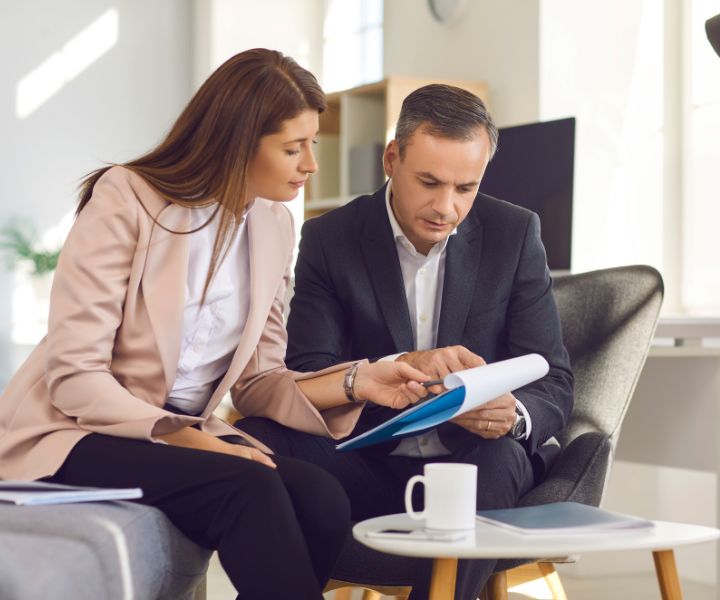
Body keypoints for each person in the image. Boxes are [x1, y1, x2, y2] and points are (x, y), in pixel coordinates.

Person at [0, 49, 430, 600]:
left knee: (323, 499)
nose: (310, 165)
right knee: (248, 488)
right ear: (237, 141)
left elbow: (258, 381)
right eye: (293, 148)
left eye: (313, 145)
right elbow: (74, 376)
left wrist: (360, 380)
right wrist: (187, 439)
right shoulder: (126, 198)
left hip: (178, 434)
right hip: (76, 430)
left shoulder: (274, 225)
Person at [236, 84, 574, 599]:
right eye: (429, 182)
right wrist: (396, 369)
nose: (446, 207)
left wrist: (514, 413)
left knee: (503, 455)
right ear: (392, 159)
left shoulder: (515, 233)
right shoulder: (331, 238)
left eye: (466, 187)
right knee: (262, 433)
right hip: (370, 466)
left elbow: (553, 378)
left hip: (475, 467)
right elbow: (308, 369)